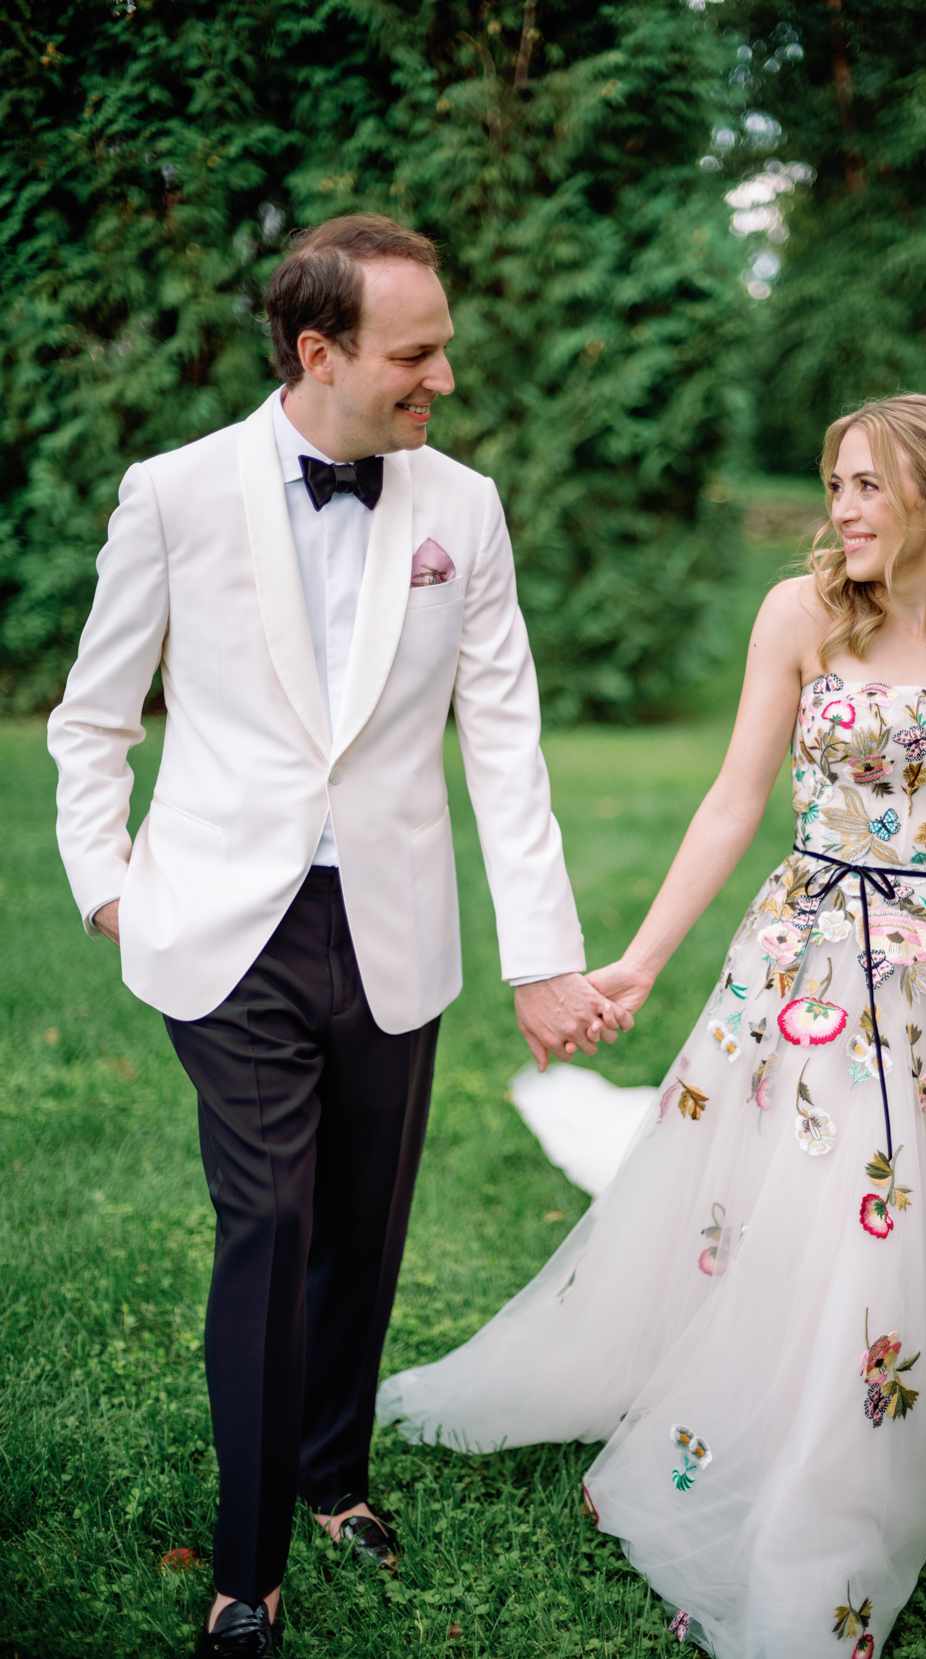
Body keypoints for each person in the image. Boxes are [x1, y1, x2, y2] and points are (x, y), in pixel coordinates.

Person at [377, 393, 926, 1657]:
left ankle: (895, 1431)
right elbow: (730, 801)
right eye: (834, 484)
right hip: (806, 961)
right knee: (853, 1210)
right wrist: (637, 963)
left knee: (919, 1206)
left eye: (864, 485)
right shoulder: (798, 615)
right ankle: (822, 1501)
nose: (839, 510)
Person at [47, 213, 629, 1659]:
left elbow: (505, 744)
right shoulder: (173, 494)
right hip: (222, 927)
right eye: (416, 351)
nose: (444, 375)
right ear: (322, 352)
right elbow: (93, 717)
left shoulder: (465, 509)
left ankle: (334, 1475)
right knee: (271, 1218)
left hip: (393, 930)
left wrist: (541, 954)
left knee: (360, 1228)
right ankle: (247, 1568)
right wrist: (110, 887)